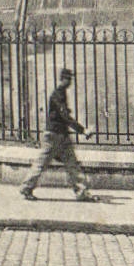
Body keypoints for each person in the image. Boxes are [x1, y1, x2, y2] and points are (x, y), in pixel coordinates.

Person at [19, 68, 93, 200]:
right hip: (54, 135)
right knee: (44, 163)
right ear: (62, 79)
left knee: (71, 163)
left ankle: (82, 191)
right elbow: (64, 116)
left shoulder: (61, 93)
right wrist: (82, 130)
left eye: (70, 79)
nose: (70, 81)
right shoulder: (57, 94)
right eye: (68, 79)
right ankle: (26, 187)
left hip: (60, 135)